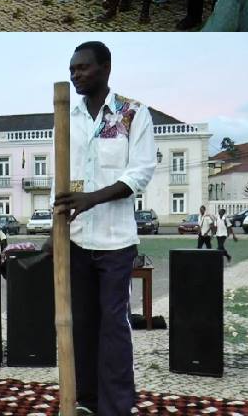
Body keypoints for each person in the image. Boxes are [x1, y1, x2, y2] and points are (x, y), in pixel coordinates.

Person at [51, 41, 155, 416]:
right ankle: (87, 401)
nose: (75, 74)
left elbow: (139, 173)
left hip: (115, 242)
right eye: (72, 68)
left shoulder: (133, 114)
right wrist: (55, 230)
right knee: (81, 326)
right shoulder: (68, 116)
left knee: (114, 326)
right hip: (76, 241)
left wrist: (91, 199)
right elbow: (64, 182)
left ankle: (117, 406)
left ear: (106, 69)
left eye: (83, 67)